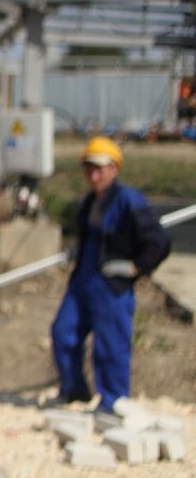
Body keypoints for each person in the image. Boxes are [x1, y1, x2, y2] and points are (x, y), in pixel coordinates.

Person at [51, 136, 171, 413]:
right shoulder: (89, 202)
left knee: (110, 344)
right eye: (89, 168)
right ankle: (74, 391)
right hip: (83, 280)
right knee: (63, 333)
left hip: (111, 286)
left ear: (114, 169)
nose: (94, 175)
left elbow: (159, 241)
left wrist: (136, 267)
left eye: (100, 169)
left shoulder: (129, 200)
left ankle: (113, 401)